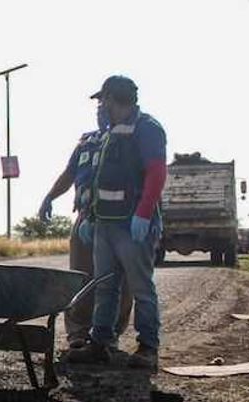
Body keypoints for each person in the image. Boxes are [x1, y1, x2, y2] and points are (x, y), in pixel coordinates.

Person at [69, 75, 167, 370]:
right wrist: (90, 215)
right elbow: (96, 178)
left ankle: (148, 348)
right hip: (105, 223)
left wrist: (144, 213)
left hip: (131, 223)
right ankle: (101, 343)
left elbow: (156, 172)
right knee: (106, 287)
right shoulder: (110, 132)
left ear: (112, 98)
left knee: (140, 288)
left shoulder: (147, 128)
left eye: (103, 99)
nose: (100, 105)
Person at [38, 106, 132, 350]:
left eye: (106, 110)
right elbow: (69, 174)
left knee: (118, 280)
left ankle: (110, 334)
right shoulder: (86, 142)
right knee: (80, 278)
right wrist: (49, 197)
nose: (102, 114)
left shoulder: (129, 137)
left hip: (118, 219)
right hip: (85, 216)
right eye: (98, 111)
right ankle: (78, 333)